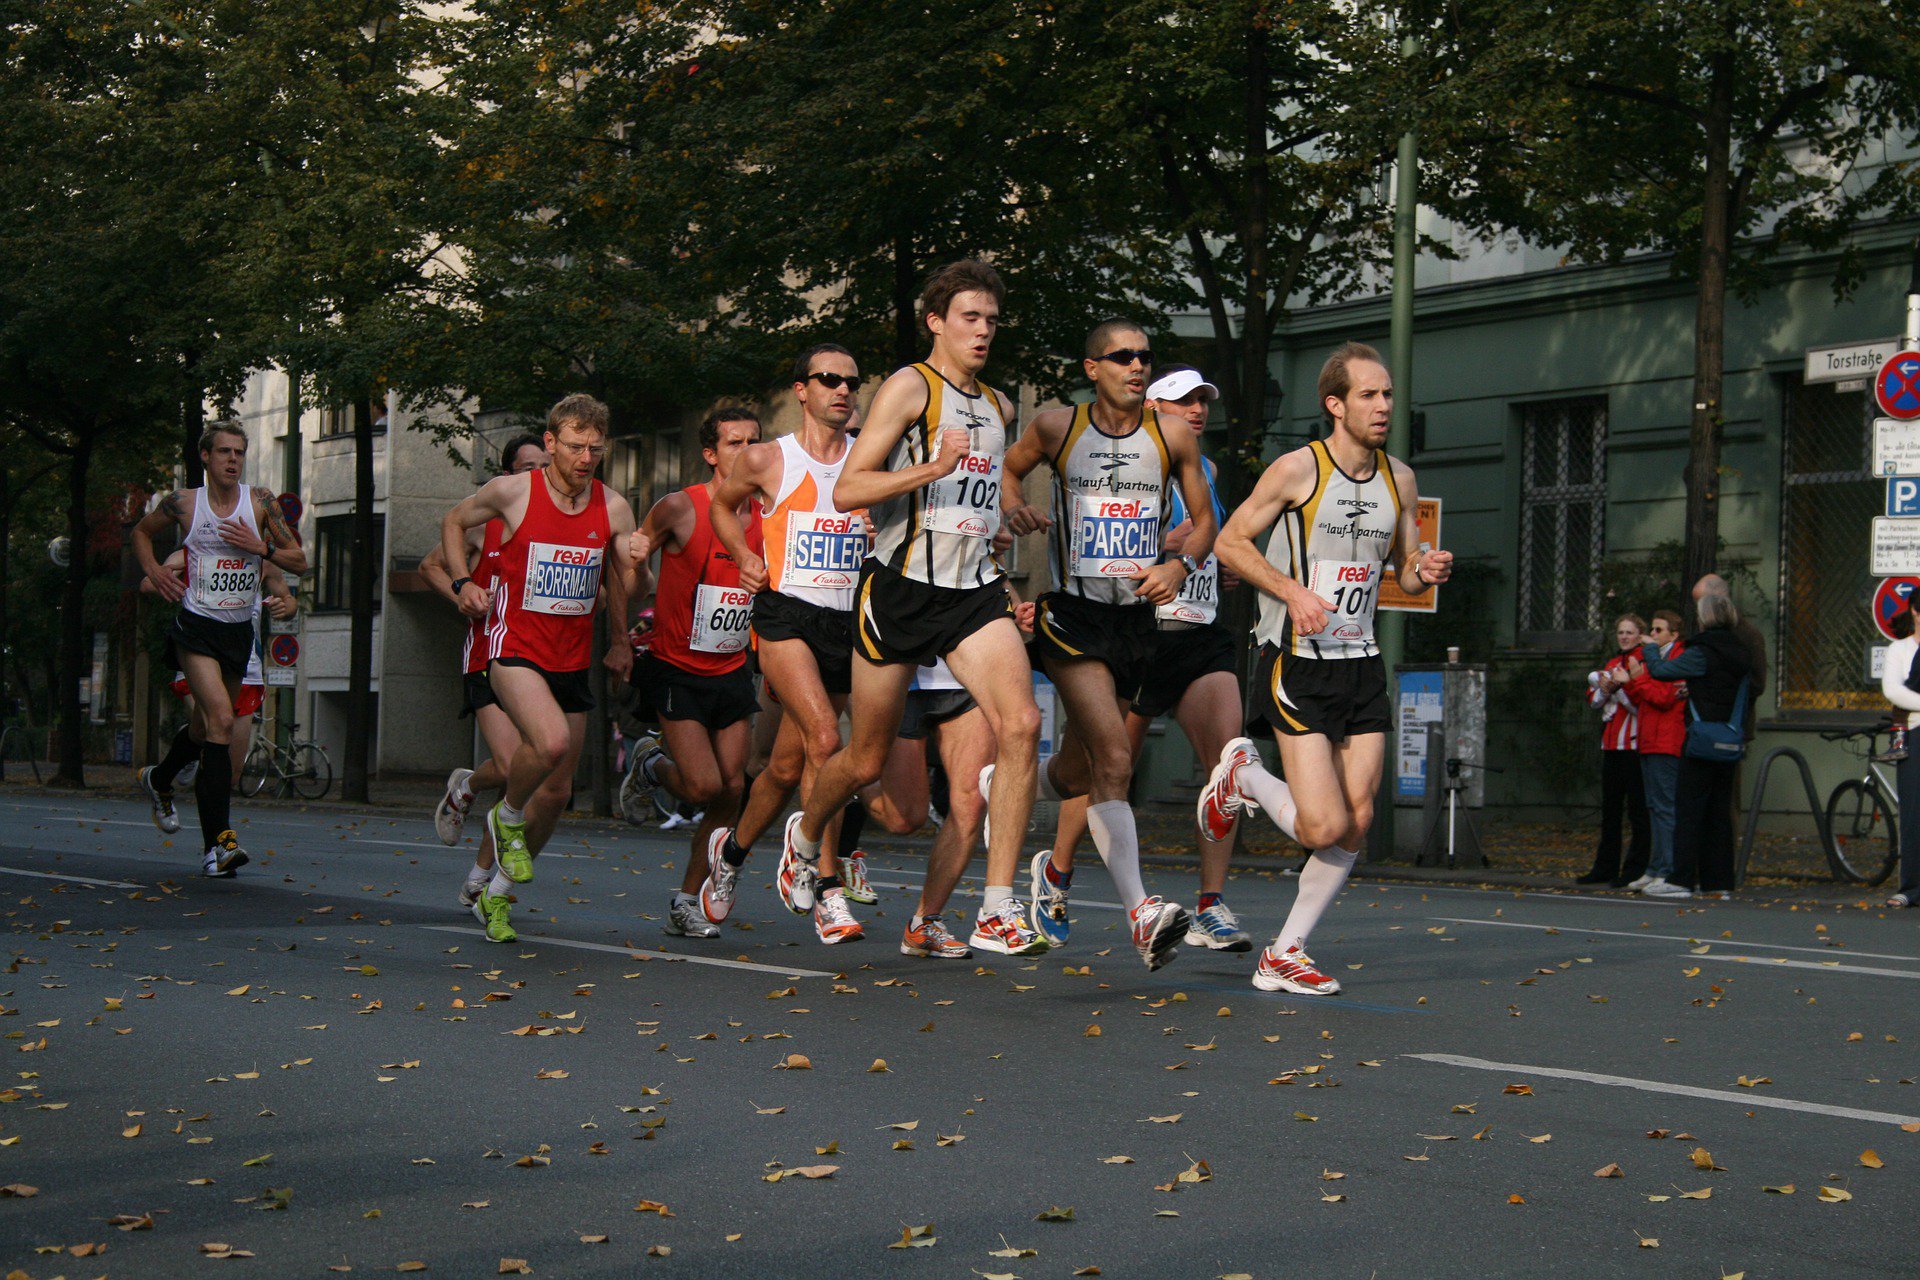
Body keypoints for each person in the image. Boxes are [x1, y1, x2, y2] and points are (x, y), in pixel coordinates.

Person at [776, 258, 1048, 957]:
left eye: (991, 319)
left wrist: (1010, 513)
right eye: (969, 318)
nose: (984, 331)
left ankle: (995, 906)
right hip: (899, 590)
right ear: (936, 322)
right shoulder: (907, 388)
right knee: (864, 759)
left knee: (1020, 723)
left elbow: (990, 489)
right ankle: (805, 835)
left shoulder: (997, 406)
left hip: (971, 594)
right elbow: (849, 490)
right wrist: (932, 467)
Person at [1197, 341, 1452, 994]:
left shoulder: (1402, 479)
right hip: (1295, 660)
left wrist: (1422, 571)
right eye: (1369, 395)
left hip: (1360, 662)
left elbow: (1404, 570)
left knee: (1358, 821)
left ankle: (1286, 951)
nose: (1383, 406)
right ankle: (1244, 776)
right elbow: (1229, 542)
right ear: (1335, 404)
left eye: (1388, 394)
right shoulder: (1296, 471)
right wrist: (1292, 591)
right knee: (1321, 826)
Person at [1036, 363, 1249, 954]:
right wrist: (1165, 548)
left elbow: (1212, 540)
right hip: (1134, 634)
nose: (1198, 411)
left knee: (1225, 765)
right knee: (1107, 768)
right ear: (1152, 409)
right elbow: (1096, 538)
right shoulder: (1117, 462)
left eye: (1203, 401)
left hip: (1198, 636)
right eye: (1183, 402)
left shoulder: (1204, 469)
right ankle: (1056, 873)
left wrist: (1217, 564)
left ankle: (1211, 904)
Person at [438, 394, 641, 942]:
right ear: (551, 442)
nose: (586, 457)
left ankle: (495, 891)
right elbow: (454, 523)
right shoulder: (512, 491)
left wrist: (628, 610)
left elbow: (624, 584)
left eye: (596, 449)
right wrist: (463, 584)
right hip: (512, 645)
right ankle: (505, 817)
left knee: (554, 794)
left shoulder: (614, 507)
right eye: (576, 446)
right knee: (547, 745)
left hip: (571, 657)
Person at [697, 348, 871, 945]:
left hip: (847, 624)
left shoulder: (870, 459)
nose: (842, 390)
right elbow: (723, 505)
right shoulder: (768, 458)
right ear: (802, 389)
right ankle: (826, 887)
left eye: (851, 381)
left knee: (787, 766)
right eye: (829, 379)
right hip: (784, 617)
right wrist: (744, 554)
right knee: (828, 741)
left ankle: (733, 853)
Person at [131, 422, 309, 877]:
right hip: (195, 629)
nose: (233, 459)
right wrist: (157, 571)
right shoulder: (184, 504)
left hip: (236, 635)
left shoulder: (261, 503)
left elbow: (299, 561)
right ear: (206, 457)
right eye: (224, 452)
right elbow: (141, 533)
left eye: (239, 452)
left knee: (201, 728)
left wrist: (261, 547)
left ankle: (161, 778)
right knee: (221, 723)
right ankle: (219, 845)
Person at [622, 408, 764, 941]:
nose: (746, 452)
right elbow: (634, 580)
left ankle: (689, 900)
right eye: (734, 442)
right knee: (704, 786)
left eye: (754, 442)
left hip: (730, 668)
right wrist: (636, 560)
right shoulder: (681, 507)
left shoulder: (767, 514)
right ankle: (651, 763)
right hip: (676, 668)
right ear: (711, 452)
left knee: (732, 790)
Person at [420, 434, 549, 903]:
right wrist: (462, 591)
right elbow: (428, 566)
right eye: (527, 467)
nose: (537, 473)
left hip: (537, 657)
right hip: (485, 654)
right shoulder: (485, 522)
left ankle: (478, 876)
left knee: (525, 780)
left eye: (543, 464)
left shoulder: (552, 522)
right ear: (507, 474)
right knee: (515, 763)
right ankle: (468, 785)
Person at [856, 656, 998, 958]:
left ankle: (925, 922)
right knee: (905, 820)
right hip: (900, 676)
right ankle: (846, 778)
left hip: (967, 674)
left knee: (972, 800)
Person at [140, 551, 298, 804]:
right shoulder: (193, 551)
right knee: (215, 726)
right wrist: (172, 585)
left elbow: (288, 600)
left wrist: (286, 608)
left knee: (231, 774)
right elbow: (148, 582)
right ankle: (215, 837)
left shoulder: (261, 561)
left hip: (245, 668)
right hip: (200, 657)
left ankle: (179, 756)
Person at [1633, 591, 1753, 900]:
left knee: (1688, 808)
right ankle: (1719, 882)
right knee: (1719, 813)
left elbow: (1661, 672)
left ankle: (1681, 878)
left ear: (1705, 618)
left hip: (1700, 738)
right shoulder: (1742, 650)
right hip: (1729, 737)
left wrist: (1650, 650)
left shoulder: (1703, 651)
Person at [1578, 614, 1649, 886]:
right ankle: (1605, 867)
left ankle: (1634, 869)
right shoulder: (1612, 662)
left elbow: (1639, 703)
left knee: (1638, 812)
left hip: (1634, 745)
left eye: (1630, 632)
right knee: (1610, 812)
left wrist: (1619, 687)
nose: (1624, 637)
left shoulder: (1642, 663)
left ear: (1640, 635)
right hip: (1611, 745)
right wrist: (1606, 687)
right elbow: (1593, 700)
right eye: (1621, 632)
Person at [1623, 609, 1686, 894]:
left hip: (1665, 740)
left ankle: (1666, 869)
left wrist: (1638, 679)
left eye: (1659, 630)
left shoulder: (1677, 659)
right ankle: (1655, 866)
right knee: (1653, 806)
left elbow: (1663, 697)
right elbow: (1644, 697)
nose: (1653, 635)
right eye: (1653, 629)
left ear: (1674, 634)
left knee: (1664, 807)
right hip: (1649, 738)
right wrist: (1634, 680)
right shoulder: (1655, 658)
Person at [1878, 603, 1920, 908]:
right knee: (1913, 809)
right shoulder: (1899, 649)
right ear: (1915, 612)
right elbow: (1893, 691)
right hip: (1913, 732)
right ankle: (1912, 887)